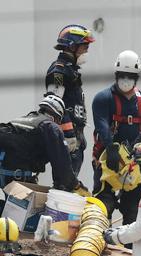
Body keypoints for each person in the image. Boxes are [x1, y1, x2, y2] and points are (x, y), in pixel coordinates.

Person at [92, 50, 141, 232]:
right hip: (108, 161)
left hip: (133, 166)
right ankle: (98, 241)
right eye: (122, 75)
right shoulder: (103, 98)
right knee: (102, 205)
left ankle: (129, 252)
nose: (126, 80)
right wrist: (110, 146)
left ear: (137, 77)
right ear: (116, 75)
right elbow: (102, 125)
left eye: (130, 76)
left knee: (132, 211)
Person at [0, 94, 89, 195]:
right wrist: (75, 185)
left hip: (5, 168)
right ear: (58, 116)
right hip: (13, 174)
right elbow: (61, 162)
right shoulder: (51, 127)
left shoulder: (25, 120)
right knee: (19, 209)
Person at [45, 24, 95, 175]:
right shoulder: (59, 71)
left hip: (76, 137)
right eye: (84, 46)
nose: (87, 50)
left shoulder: (71, 70)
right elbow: (54, 106)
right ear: (72, 47)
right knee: (65, 186)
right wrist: (69, 136)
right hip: (67, 139)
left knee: (70, 187)